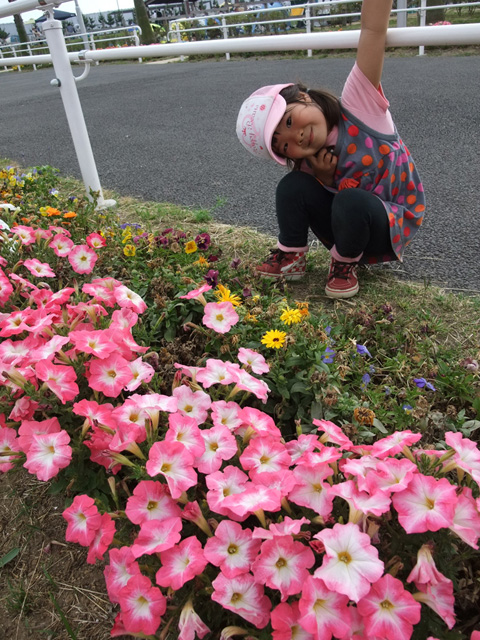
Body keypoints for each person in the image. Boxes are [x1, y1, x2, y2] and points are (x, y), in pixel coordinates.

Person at [236, 0, 425, 299]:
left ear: (303, 97)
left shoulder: (359, 107)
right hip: (344, 230)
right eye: (284, 145)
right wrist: (325, 180)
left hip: (389, 225)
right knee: (292, 186)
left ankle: (344, 265)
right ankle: (292, 256)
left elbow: (373, 31)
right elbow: (326, 201)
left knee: (350, 200)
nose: (297, 138)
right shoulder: (308, 163)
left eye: (289, 121)